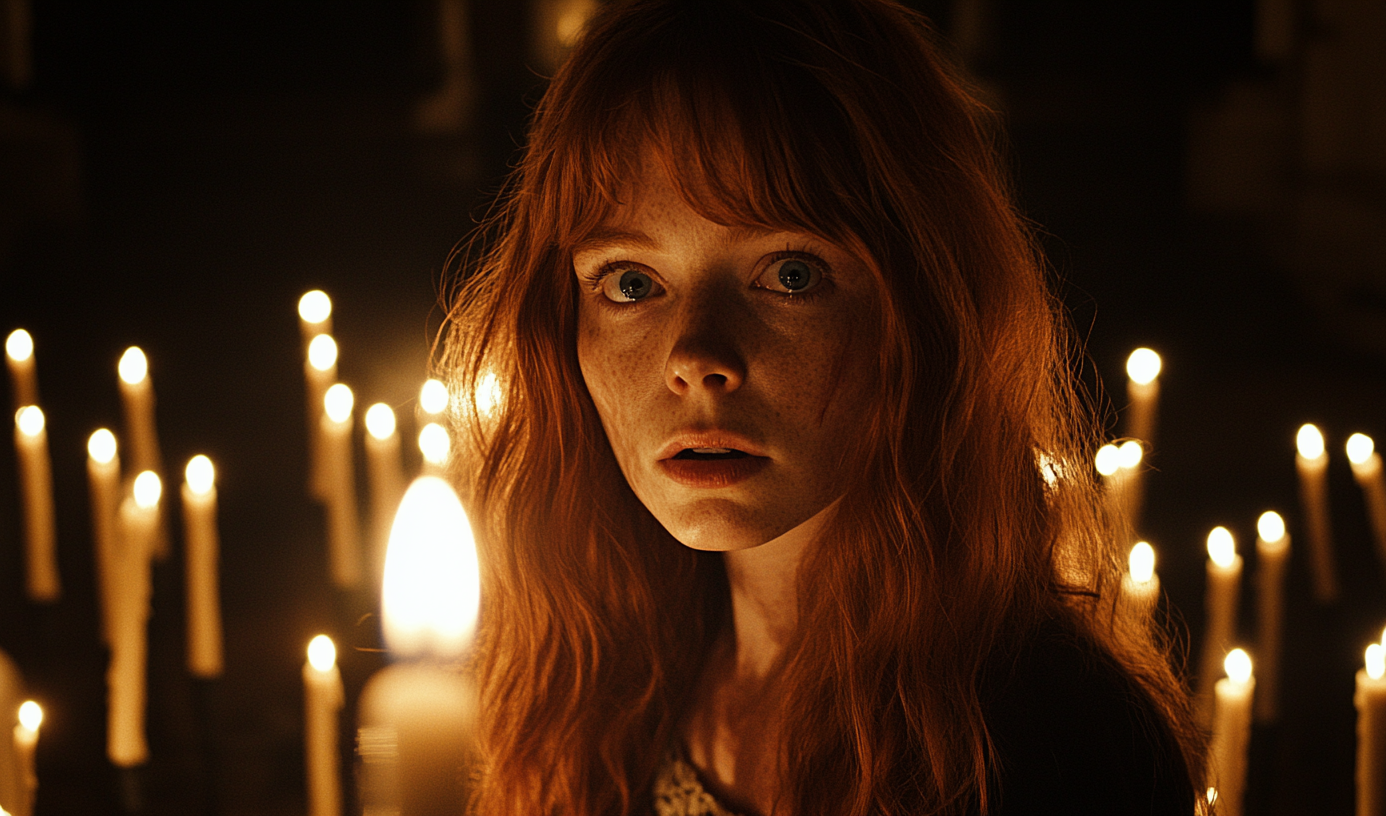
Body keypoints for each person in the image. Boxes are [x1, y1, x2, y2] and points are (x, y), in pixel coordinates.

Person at [435, 0, 1208, 813]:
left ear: (925, 314)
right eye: (632, 283)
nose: (696, 357)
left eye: (789, 275)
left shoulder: (1043, 739)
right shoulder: (605, 674)